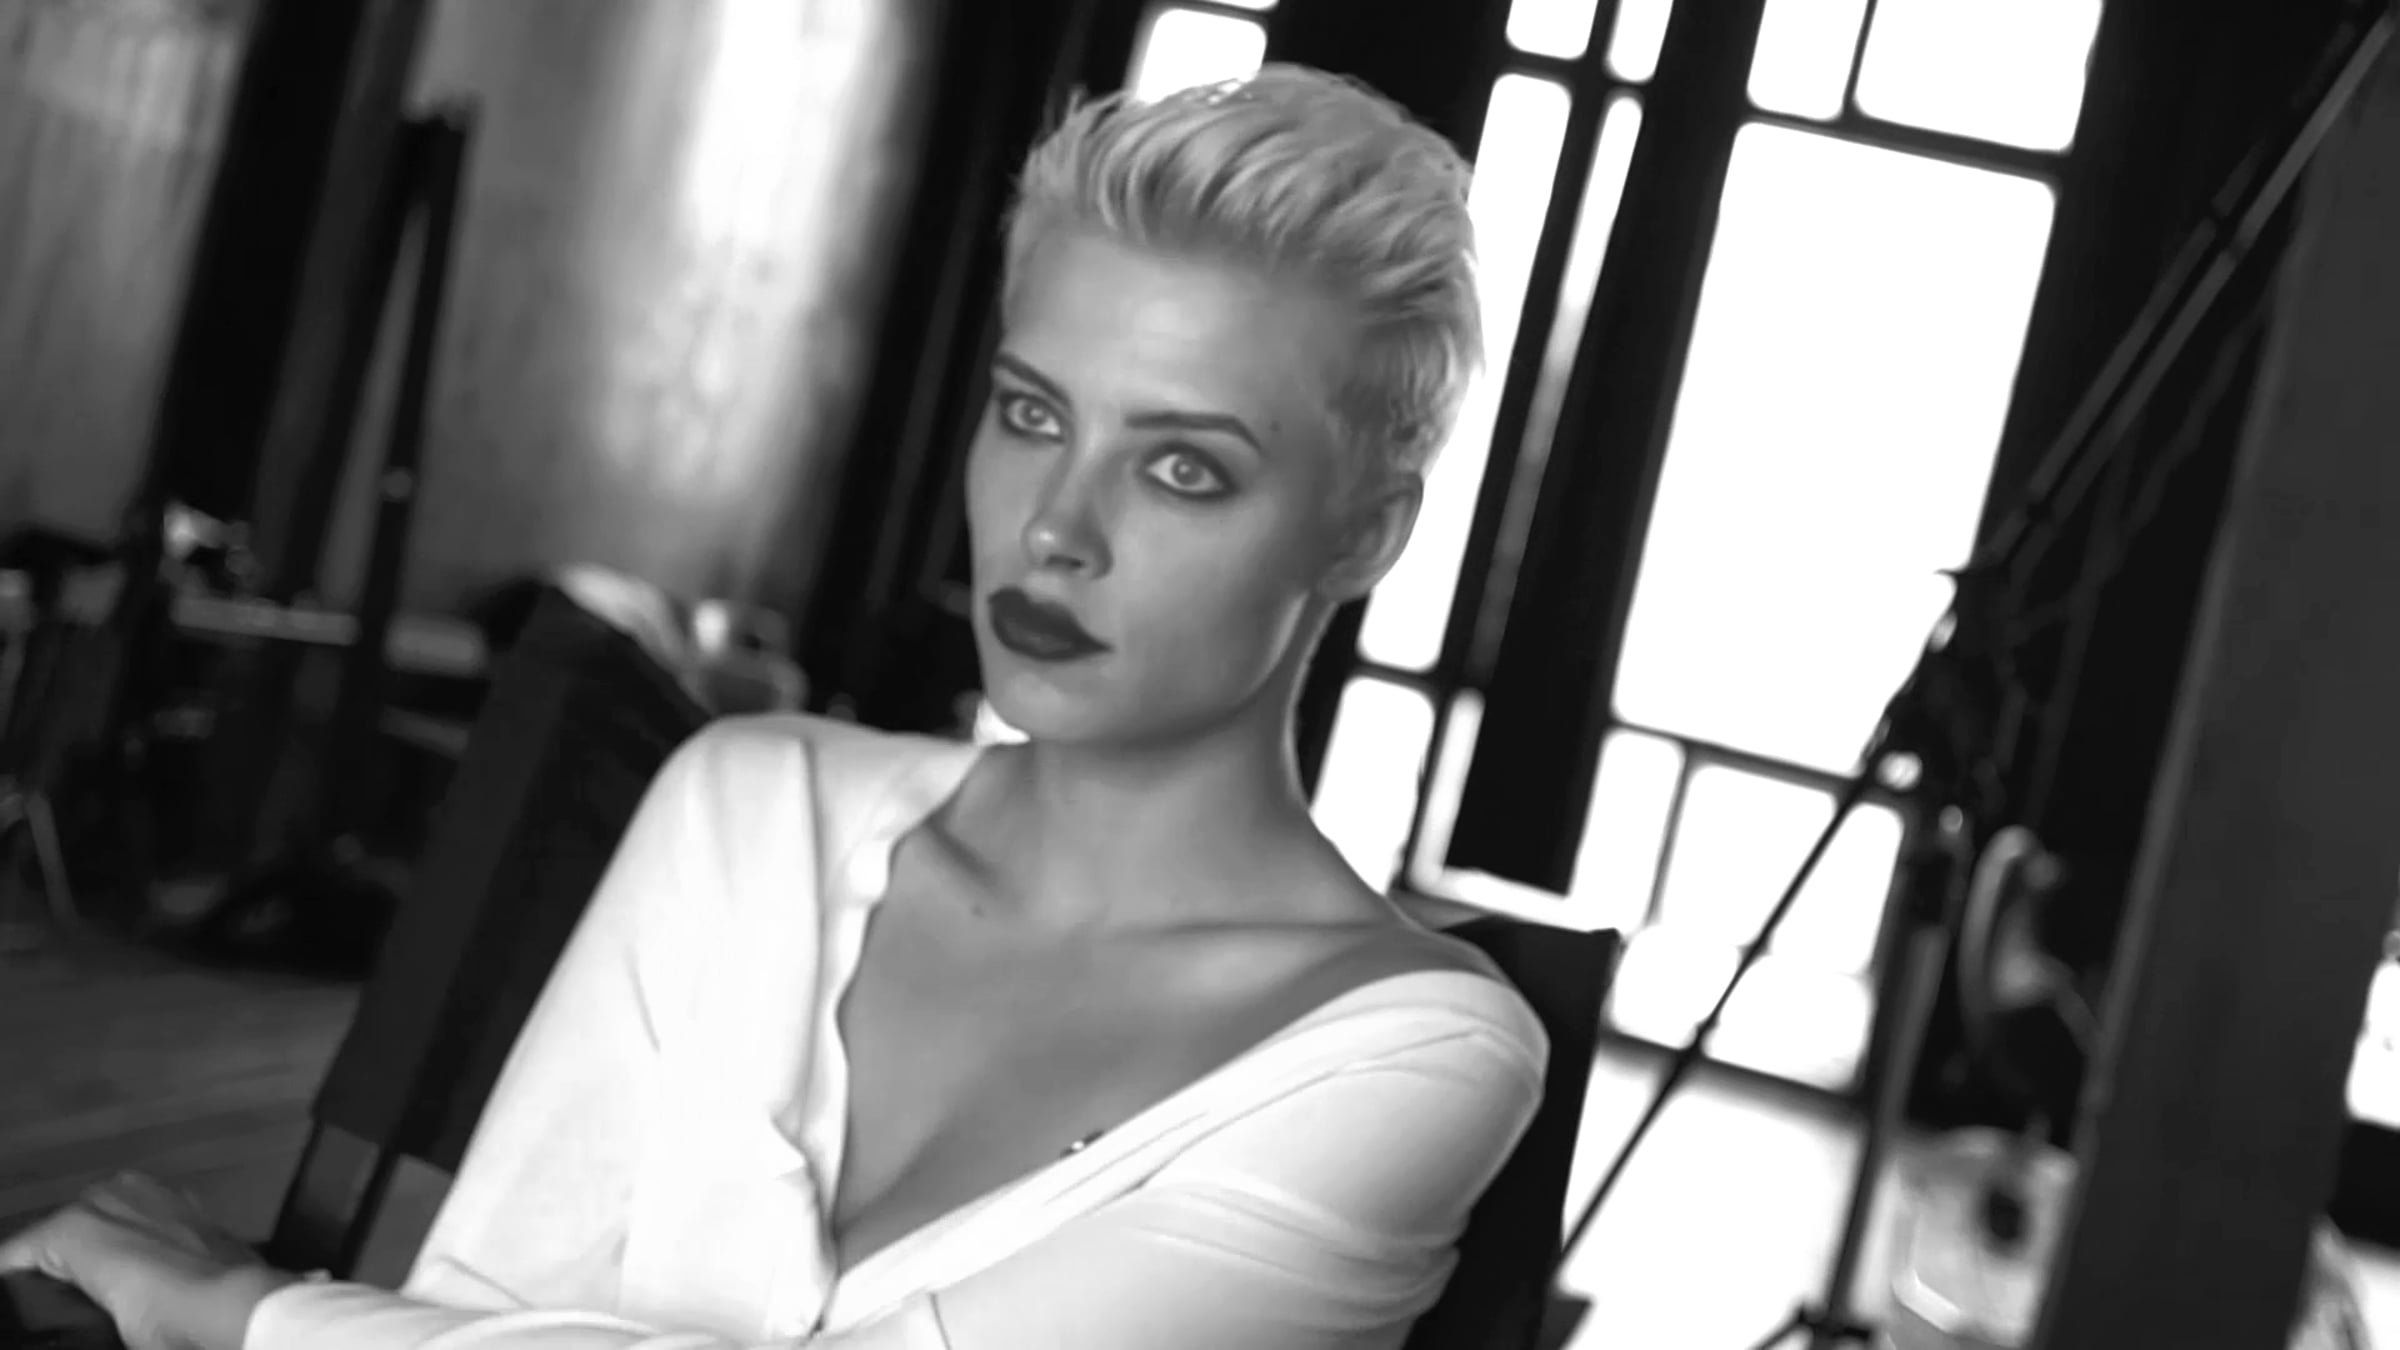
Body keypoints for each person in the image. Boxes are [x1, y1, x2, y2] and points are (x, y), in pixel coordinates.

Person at [0, 64, 1549, 1348]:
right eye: (1032, 413)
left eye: (1184, 465)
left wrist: (252, 1310)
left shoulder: (1409, 1055)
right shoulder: (751, 805)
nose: (1054, 526)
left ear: (1365, 533)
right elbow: (478, 1299)